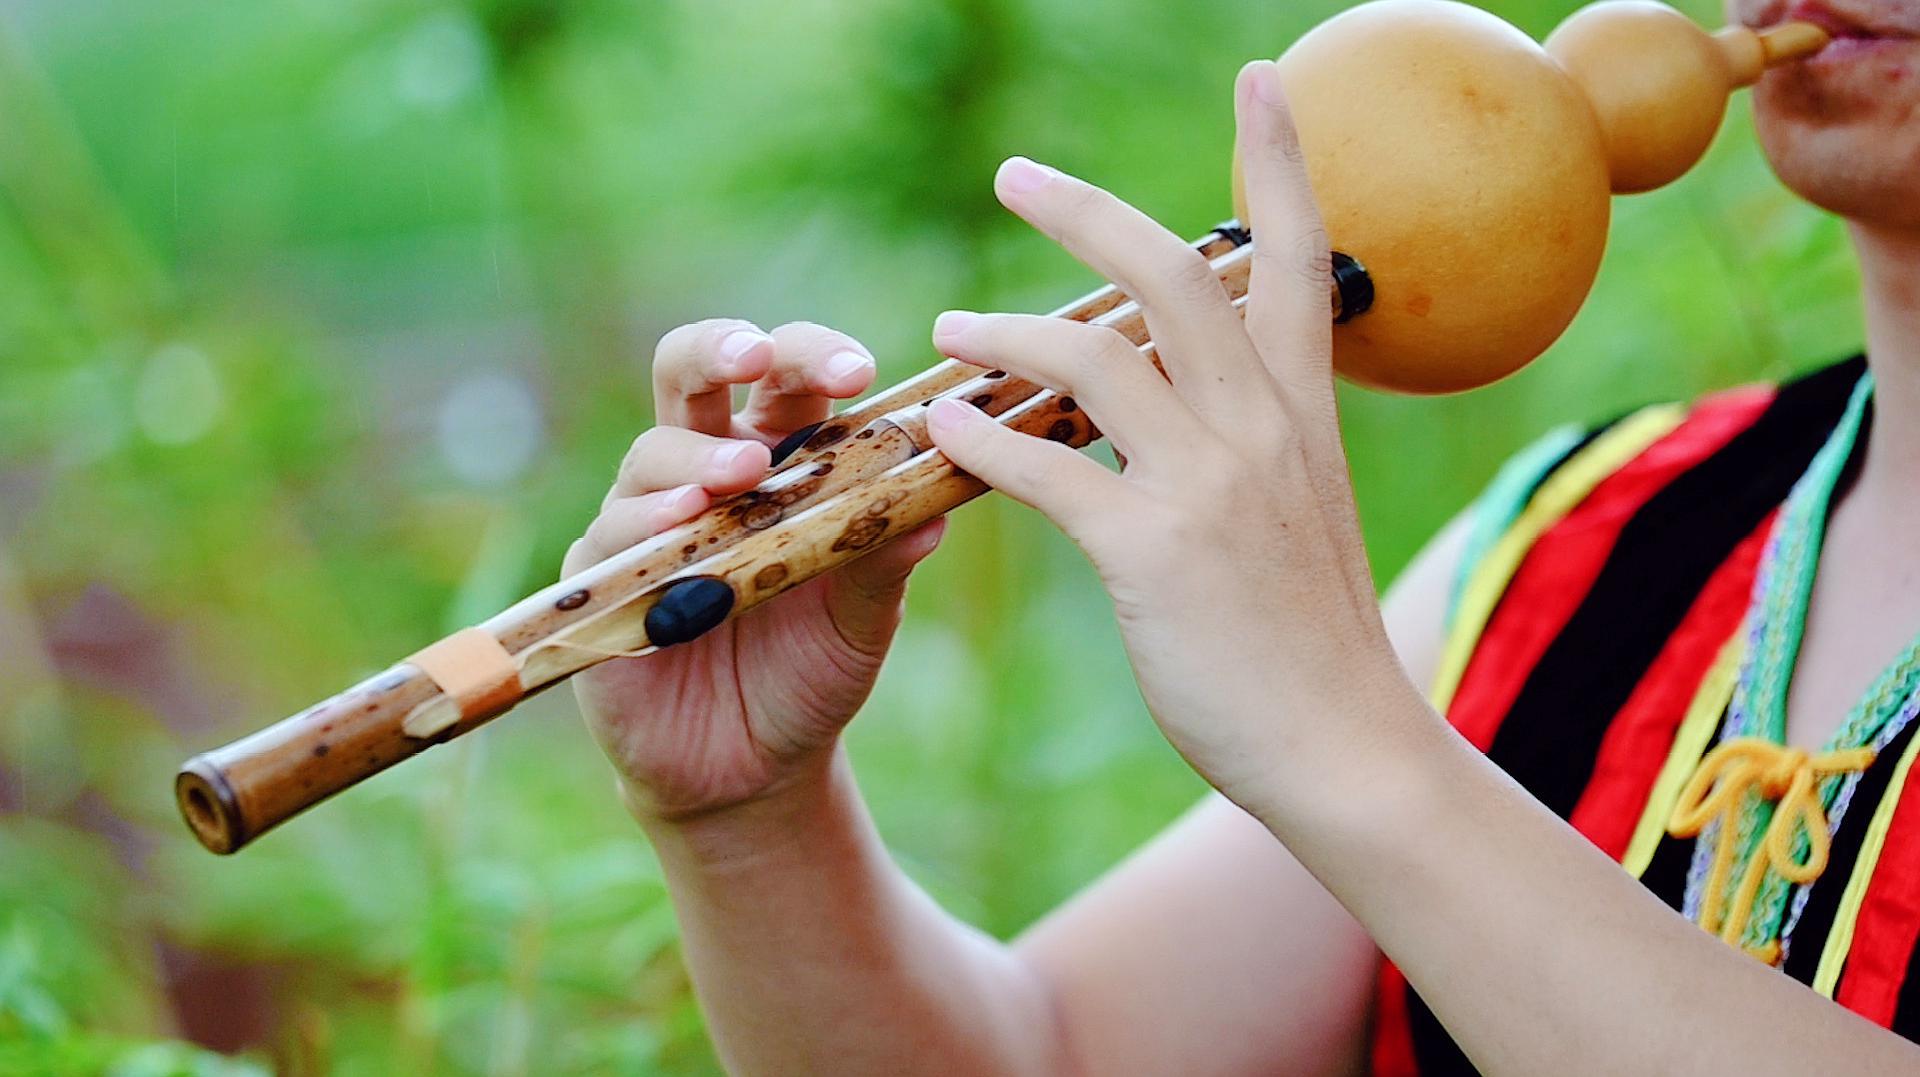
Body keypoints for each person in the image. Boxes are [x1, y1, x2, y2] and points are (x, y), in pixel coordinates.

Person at [560, 0, 1920, 1070]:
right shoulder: (1582, 532)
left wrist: (1352, 743)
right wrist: (752, 823)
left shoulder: (1455, 650)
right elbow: (1054, 1060)